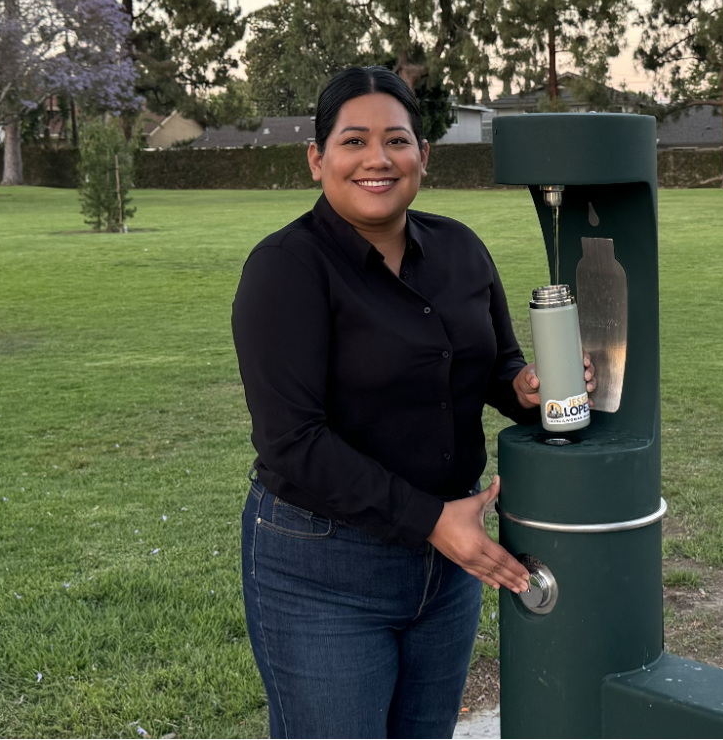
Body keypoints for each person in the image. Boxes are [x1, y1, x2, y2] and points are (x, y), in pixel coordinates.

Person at [231, 66, 592, 740]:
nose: (377, 158)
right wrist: (430, 519)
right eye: (353, 141)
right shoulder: (286, 267)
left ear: (423, 156)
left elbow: (495, 364)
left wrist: (525, 389)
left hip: (448, 567)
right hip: (324, 567)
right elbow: (291, 440)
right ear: (317, 158)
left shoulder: (459, 248)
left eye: (396, 140)